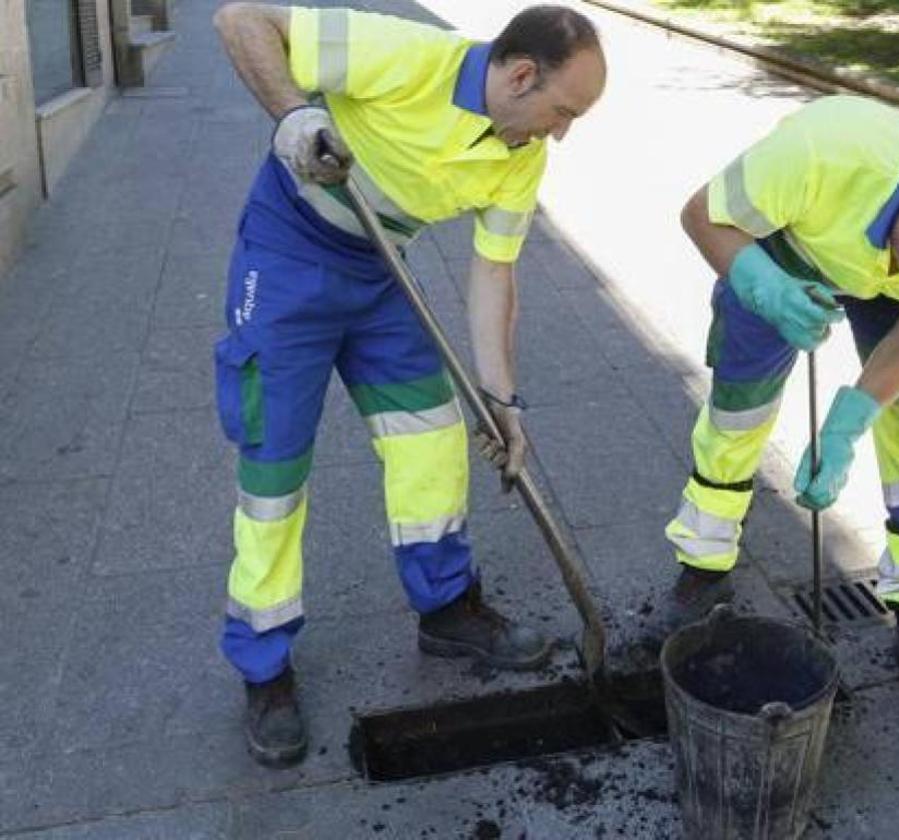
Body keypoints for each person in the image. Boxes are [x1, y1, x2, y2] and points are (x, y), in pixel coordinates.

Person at [211, 2, 606, 767]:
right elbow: (239, 20)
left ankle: (447, 607)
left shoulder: (520, 154)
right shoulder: (405, 56)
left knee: (432, 438)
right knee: (274, 471)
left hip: (381, 270)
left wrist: (502, 400)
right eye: (563, 112)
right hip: (288, 254)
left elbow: (495, 275)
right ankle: (263, 664)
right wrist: (293, 118)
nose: (561, 133)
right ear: (522, 76)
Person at [662, 95, 899, 728]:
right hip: (785, 252)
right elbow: (703, 215)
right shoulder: (817, 153)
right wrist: (767, 289)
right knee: (738, 414)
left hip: (891, 280)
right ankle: (703, 569)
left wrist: (846, 424)